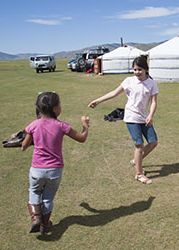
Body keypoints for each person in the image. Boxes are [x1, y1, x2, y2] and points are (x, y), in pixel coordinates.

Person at [22, 91, 90, 234]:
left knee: (34, 191)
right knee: (48, 197)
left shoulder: (33, 125)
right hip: (55, 169)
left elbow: (24, 146)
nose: (61, 107)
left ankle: (35, 218)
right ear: (54, 109)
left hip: (37, 168)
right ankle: (44, 225)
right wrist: (85, 125)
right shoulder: (62, 126)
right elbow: (82, 138)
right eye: (59, 104)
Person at [88, 56, 158, 184]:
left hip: (145, 117)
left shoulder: (152, 83)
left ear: (146, 70)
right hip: (131, 117)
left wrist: (151, 115)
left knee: (153, 142)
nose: (137, 72)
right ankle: (139, 173)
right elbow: (114, 93)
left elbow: (154, 102)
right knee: (139, 146)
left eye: (140, 69)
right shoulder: (129, 81)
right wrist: (97, 101)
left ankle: (136, 160)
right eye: (135, 69)